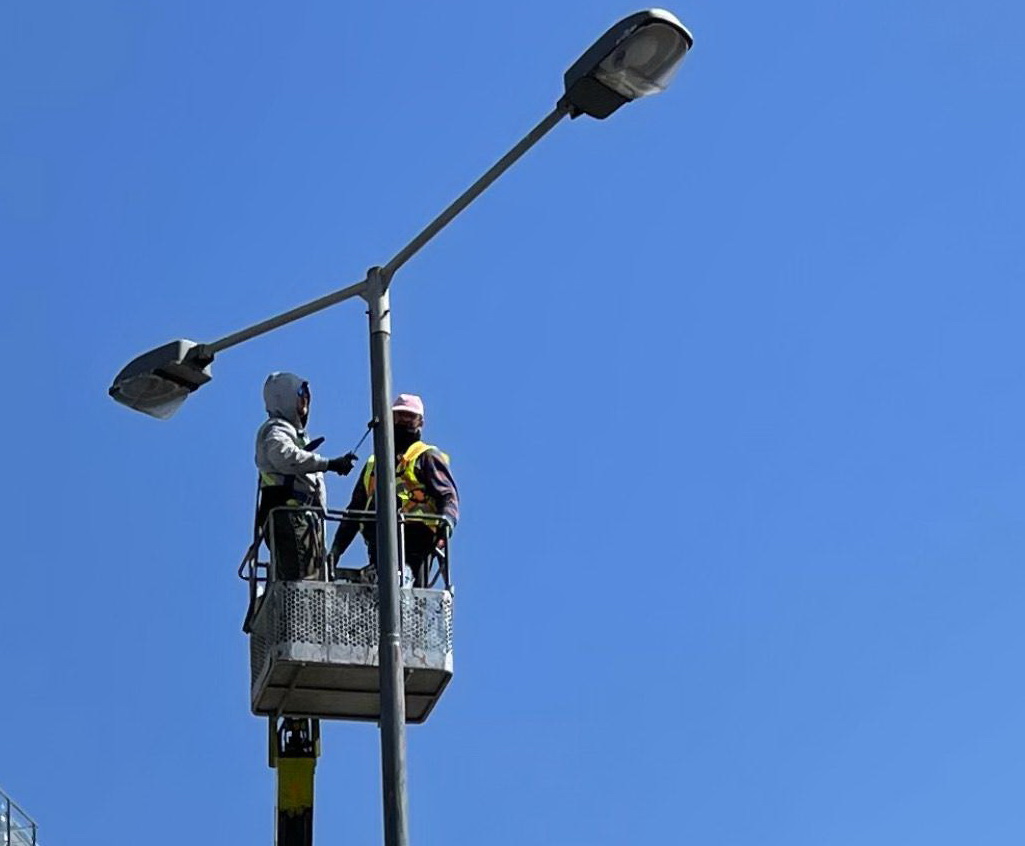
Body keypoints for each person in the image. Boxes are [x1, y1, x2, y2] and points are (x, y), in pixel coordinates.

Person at [330, 393, 459, 587]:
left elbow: (447, 495)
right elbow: (354, 512)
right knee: (382, 587)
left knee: (410, 593)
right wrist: (336, 551)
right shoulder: (374, 464)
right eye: (400, 415)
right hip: (379, 541)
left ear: (420, 422)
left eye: (410, 416)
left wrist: (446, 524)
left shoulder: (426, 457)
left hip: (417, 540)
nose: (404, 421)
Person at [255, 372, 357, 581]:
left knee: (311, 579)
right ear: (283, 397)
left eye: (307, 394)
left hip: (304, 519)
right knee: (303, 582)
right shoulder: (276, 430)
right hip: (292, 517)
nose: (305, 398)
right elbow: (284, 456)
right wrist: (329, 464)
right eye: (300, 392)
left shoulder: (293, 434)